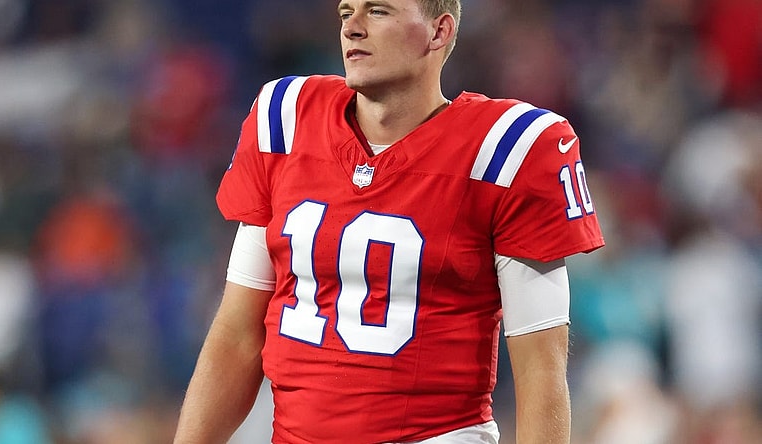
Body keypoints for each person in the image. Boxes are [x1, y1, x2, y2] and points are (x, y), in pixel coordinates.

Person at [173, 0, 604, 442]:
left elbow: (540, 371)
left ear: (439, 32)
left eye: (377, 11)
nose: (352, 29)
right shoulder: (285, 117)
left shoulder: (510, 150)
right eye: (345, 13)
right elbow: (238, 334)